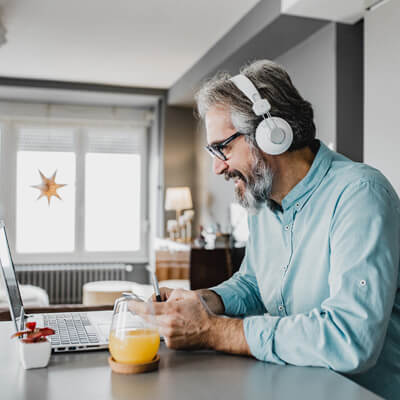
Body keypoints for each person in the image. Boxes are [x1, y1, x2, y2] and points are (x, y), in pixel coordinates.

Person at [130, 60, 400, 400]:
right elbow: (254, 284)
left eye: (223, 148)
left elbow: (351, 337)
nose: (217, 168)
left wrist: (213, 331)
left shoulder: (360, 194)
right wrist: (203, 302)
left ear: (271, 134)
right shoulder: (263, 202)